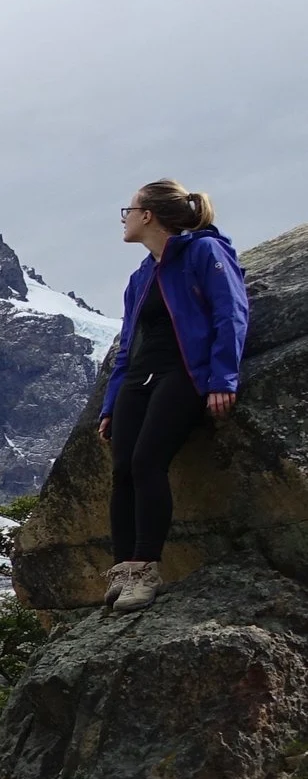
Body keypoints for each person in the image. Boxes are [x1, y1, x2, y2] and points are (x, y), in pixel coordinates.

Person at [97, 179, 249, 612]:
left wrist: (222, 378)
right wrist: (110, 404)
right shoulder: (141, 275)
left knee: (148, 462)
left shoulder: (204, 252)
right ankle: (123, 570)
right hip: (139, 377)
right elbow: (129, 343)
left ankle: (146, 569)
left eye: (129, 210)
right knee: (123, 470)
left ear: (148, 216)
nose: (124, 219)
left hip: (185, 372)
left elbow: (230, 312)